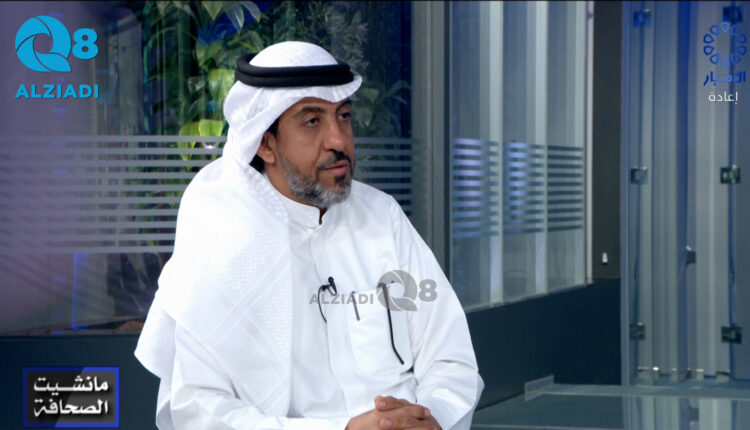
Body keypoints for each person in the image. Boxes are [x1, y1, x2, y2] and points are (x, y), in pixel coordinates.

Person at [135, 41, 483, 430]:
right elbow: (199, 409)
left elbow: (450, 357)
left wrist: (431, 419)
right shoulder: (220, 237)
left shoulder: (382, 215)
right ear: (265, 143)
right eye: (312, 121)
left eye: (344, 116)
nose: (339, 140)